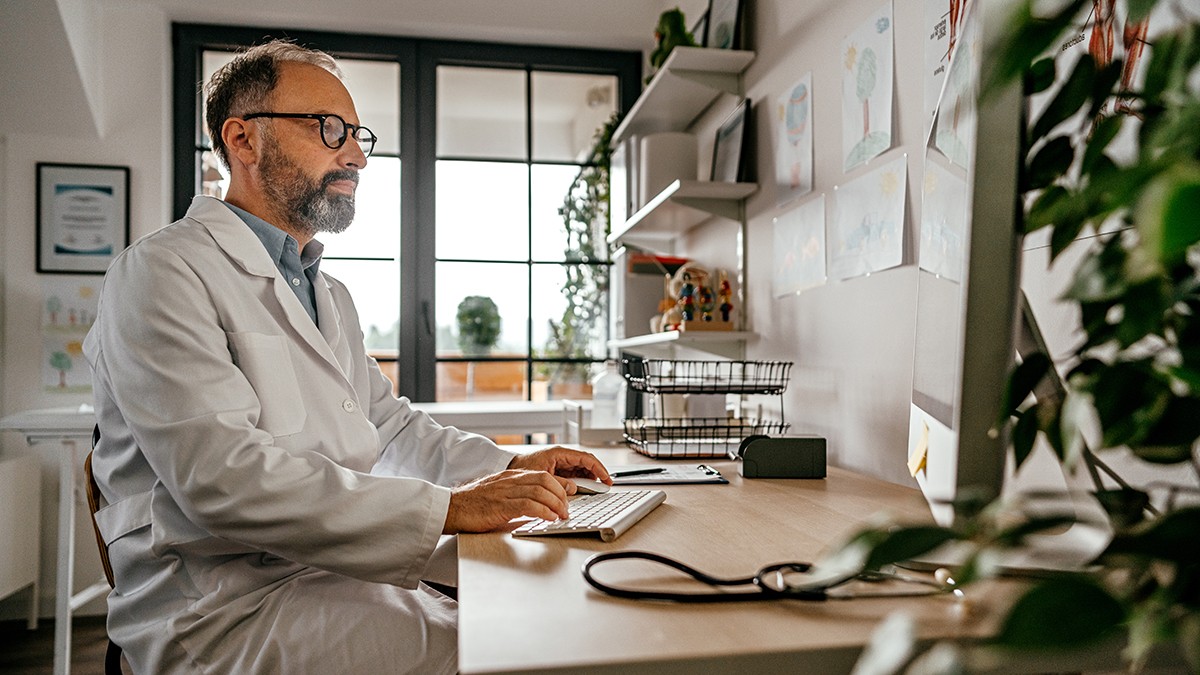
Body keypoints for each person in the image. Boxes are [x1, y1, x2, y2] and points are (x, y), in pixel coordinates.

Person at [83, 40, 611, 675]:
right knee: (515, 653)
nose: (357, 154)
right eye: (328, 129)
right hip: (220, 609)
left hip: (327, 571)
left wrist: (514, 467)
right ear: (242, 139)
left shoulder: (327, 292)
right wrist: (451, 507)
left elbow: (387, 427)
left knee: (549, 609)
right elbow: (223, 480)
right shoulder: (160, 273)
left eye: (358, 134)